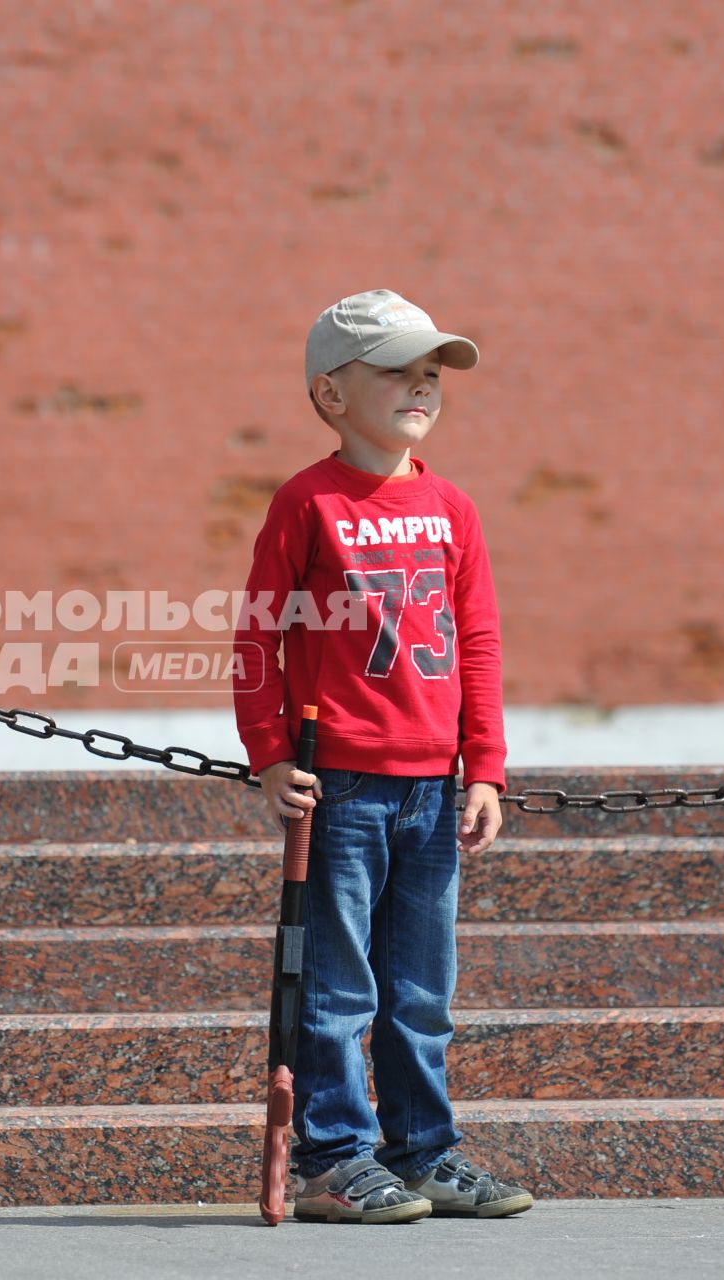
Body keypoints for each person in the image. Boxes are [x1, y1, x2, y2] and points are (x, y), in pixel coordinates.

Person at [232, 289, 534, 1223]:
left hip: (432, 792)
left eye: (430, 374)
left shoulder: (453, 508)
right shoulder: (305, 502)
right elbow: (257, 638)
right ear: (331, 394)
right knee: (337, 987)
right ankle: (334, 1157)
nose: (421, 387)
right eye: (396, 371)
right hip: (342, 789)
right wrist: (271, 754)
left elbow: (476, 640)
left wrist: (484, 764)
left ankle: (424, 1152)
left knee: (420, 990)